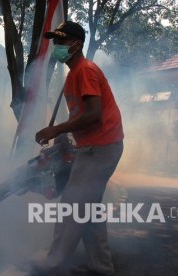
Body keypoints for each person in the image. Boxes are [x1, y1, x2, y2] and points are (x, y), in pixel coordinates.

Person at [33, 21, 124, 276]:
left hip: (101, 146)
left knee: (72, 206)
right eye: (55, 42)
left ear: (76, 44)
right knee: (88, 208)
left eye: (61, 42)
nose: (57, 47)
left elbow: (94, 115)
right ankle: (101, 267)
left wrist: (57, 129)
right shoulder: (75, 73)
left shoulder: (85, 70)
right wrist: (67, 136)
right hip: (96, 145)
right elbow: (81, 114)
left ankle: (54, 262)